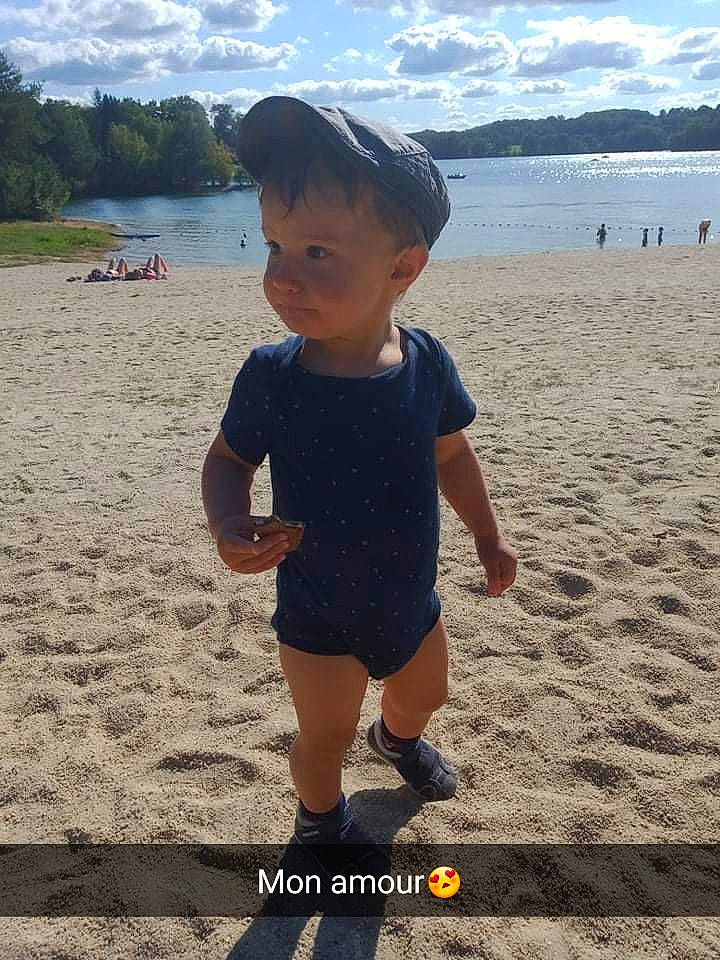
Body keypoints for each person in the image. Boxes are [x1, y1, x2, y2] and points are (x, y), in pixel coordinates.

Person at [201, 96, 518, 847]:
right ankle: (320, 824)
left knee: (425, 694)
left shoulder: (427, 363)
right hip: (316, 606)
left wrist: (488, 536)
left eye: (315, 253)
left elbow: (452, 454)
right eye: (272, 246)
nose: (281, 275)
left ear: (403, 266)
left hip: (411, 594)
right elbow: (226, 461)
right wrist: (227, 524)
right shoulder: (273, 375)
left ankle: (398, 742)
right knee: (323, 735)